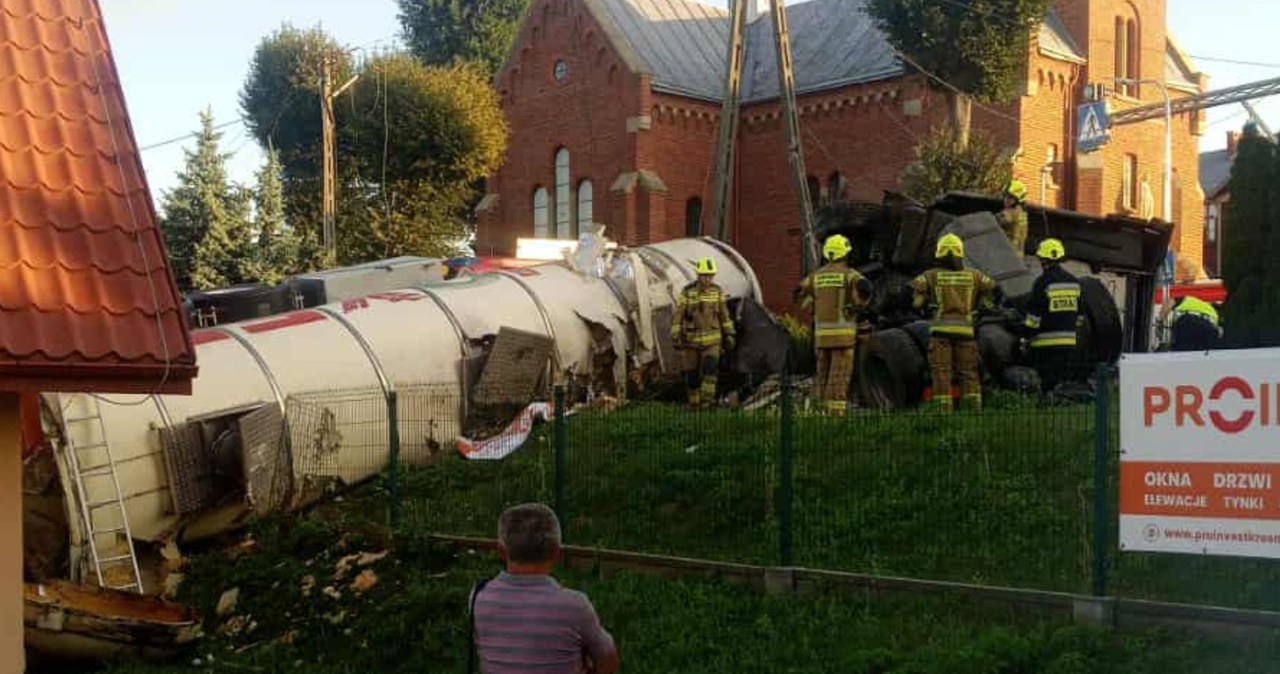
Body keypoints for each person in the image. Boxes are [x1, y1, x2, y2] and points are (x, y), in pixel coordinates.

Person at [469, 503, 619, 674]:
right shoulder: (574, 605)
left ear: (501, 551)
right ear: (556, 552)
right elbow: (608, 660)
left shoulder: (478, 596)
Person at [910, 234, 997, 412]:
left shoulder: (929, 276)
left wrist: (921, 303)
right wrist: (983, 305)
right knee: (969, 372)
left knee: (942, 373)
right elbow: (991, 290)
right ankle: (973, 411)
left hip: (940, 332)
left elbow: (916, 302)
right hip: (965, 332)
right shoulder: (975, 275)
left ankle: (944, 412)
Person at [796, 234, 873, 415]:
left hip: (822, 338)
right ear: (845, 254)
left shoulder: (816, 276)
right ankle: (835, 417)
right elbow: (865, 290)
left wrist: (814, 308)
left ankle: (818, 412)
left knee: (822, 375)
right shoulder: (850, 275)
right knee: (839, 377)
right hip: (843, 338)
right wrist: (856, 307)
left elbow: (798, 294)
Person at [671, 257, 736, 409]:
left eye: (710, 276)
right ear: (698, 275)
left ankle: (707, 402)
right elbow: (678, 314)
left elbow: (724, 315)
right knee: (691, 374)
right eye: (704, 275)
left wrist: (730, 334)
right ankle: (694, 404)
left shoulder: (717, 291)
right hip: (690, 341)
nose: (707, 279)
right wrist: (675, 333)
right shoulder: (687, 292)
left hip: (712, 341)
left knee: (710, 371)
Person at [1021, 238, 1082, 392]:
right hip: (1068, 342)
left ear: (1043, 259)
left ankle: (1047, 404)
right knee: (1061, 379)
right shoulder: (1074, 282)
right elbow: (1080, 315)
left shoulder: (1042, 283)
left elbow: (1034, 317)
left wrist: (1025, 337)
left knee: (1047, 381)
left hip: (1045, 343)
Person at [997, 179, 1029, 255]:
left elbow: (992, 220)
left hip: (1007, 255)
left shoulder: (1011, 213)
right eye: (1005, 196)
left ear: (1018, 199)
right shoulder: (1023, 213)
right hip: (1017, 256)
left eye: (1010, 198)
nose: (1006, 200)